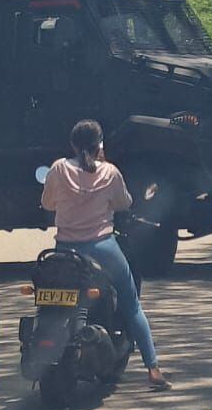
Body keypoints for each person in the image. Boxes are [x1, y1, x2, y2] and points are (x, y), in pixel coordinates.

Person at [40, 119, 171, 391]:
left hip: (64, 249)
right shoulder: (110, 172)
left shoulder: (58, 169)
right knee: (131, 302)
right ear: (100, 145)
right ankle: (153, 369)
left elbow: (47, 203)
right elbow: (125, 203)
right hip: (102, 247)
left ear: (73, 144)